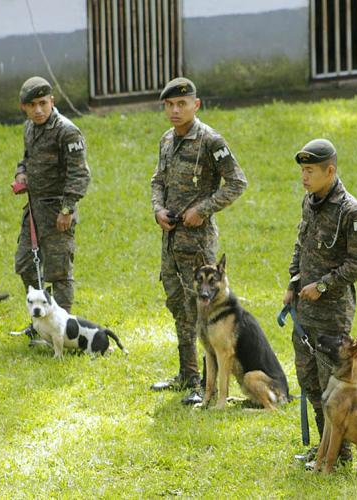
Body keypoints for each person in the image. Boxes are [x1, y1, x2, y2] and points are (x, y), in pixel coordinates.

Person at [149, 77, 247, 405]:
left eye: (182, 104)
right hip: (171, 240)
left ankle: (208, 384)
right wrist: (158, 209)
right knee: (179, 305)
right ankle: (187, 374)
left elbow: (236, 182)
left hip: (199, 244)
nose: (175, 110)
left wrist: (203, 210)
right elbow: (158, 180)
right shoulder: (166, 140)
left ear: (196, 105)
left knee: (203, 311)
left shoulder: (209, 141)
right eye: (169, 105)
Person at [283, 139, 357, 464]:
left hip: (332, 313)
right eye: (303, 171)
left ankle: (341, 452)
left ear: (330, 171)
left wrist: (323, 285)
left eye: (310, 171)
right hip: (304, 308)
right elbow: (301, 244)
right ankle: (323, 446)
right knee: (307, 377)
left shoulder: (353, 212)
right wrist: (294, 281)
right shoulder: (310, 202)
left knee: (330, 383)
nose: (304, 177)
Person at [13, 76, 90, 342]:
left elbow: (80, 175)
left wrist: (67, 209)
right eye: (32, 105)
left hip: (58, 211)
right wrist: (21, 174)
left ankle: (62, 330)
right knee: (25, 264)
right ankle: (40, 322)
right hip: (34, 211)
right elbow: (25, 159)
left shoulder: (67, 131)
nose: (38, 110)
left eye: (43, 103)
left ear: (52, 101)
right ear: (24, 107)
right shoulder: (29, 127)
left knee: (59, 273)